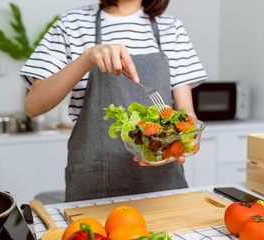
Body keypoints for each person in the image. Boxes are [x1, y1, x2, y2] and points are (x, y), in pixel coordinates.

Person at [20, 0, 207, 202]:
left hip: (164, 179)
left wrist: (181, 144)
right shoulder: (71, 24)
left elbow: (186, 115)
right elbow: (33, 106)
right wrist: (87, 58)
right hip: (93, 183)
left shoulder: (171, 28)